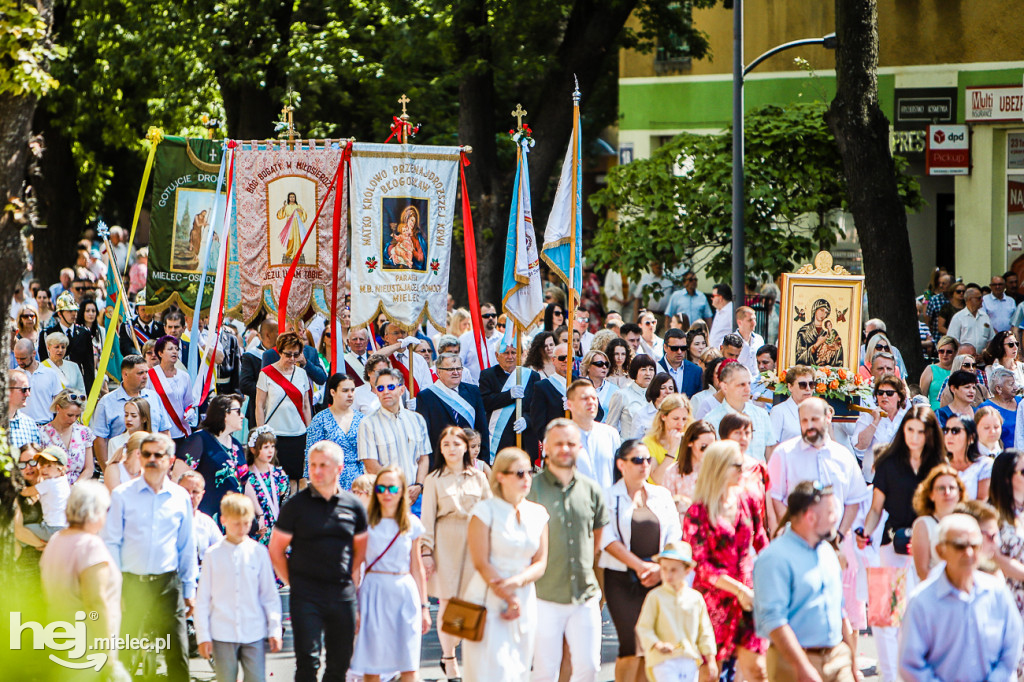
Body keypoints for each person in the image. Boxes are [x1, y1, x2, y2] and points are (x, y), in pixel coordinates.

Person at [855, 406, 947, 682]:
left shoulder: (939, 465)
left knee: (925, 617)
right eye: (910, 430)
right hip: (891, 545)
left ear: (930, 434)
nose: (915, 437)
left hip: (930, 547)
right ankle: (891, 677)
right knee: (885, 618)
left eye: (921, 432)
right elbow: (875, 510)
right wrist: (865, 533)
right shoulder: (888, 463)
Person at [269, 440, 368, 682]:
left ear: (339, 468)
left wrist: (348, 576)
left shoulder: (353, 506)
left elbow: (360, 549)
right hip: (306, 594)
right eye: (313, 465)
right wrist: (292, 580)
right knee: (307, 661)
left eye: (323, 465)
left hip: (341, 593)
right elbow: (276, 550)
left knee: (340, 661)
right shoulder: (295, 505)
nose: (316, 470)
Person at [102, 433, 197, 682]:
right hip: (131, 585)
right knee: (126, 658)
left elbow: (186, 545)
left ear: (171, 459)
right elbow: (111, 542)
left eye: (158, 455)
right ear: (139, 457)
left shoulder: (180, 497)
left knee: (177, 655)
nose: (152, 459)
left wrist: (189, 589)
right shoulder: (123, 495)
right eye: (147, 454)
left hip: (168, 585)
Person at [528, 419, 609, 682]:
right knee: (545, 671)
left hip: (585, 595)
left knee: (589, 667)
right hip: (543, 596)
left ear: (580, 447)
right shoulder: (531, 490)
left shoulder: (591, 489)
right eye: (558, 443)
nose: (565, 448)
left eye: (571, 443)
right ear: (546, 448)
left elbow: (598, 540)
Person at [753, 481, 858, 682]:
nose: (836, 518)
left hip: (837, 658)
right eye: (830, 513)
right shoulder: (774, 558)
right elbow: (773, 621)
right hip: (794, 663)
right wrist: (802, 667)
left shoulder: (828, 552)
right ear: (810, 517)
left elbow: (840, 611)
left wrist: (852, 666)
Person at [899, 513, 1024, 682]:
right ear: (940, 550)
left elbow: (1012, 647)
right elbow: (910, 664)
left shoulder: (997, 592)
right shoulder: (922, 601)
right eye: (960, 546)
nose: (968, 552)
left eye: (974, 545)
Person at [681, 440, 768, 680]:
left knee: (758, 670)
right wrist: (739, 590)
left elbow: (762, 542)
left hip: (749, 597)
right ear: (719, 467)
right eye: (736, 466)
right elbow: (701, 565)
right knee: (711, 673)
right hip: (714, 600)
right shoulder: (697, 512)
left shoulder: (748, 501)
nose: (742, 471)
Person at [462, 447, 549, 681]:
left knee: (519, 668)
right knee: (491, 671)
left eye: (529, 472)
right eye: (519, 473)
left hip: (524, 596)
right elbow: (480, 561)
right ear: (500, 476)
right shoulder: (484, 510)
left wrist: (517, 584)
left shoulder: (538, 513)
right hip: (488, 597)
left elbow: (540, 562)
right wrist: (507, 594)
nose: (527, 478)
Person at [599, 439, 683, 680]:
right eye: (637, 460)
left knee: (652, 645)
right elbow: (606, 538)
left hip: (659, 576)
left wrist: (659, 567)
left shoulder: (661, 494)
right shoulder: (608, 495)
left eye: (647, 460)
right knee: (631, 644)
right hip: (621, 578)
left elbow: (674, 533)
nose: (644, 465)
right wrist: (640, 566)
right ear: (621, 464)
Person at [419, 426, 491, 680]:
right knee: (450, 604)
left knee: (472, 603)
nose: (451, 448)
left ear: (465, 447)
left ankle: (462, 649)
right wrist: (426, 552)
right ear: (440, 448)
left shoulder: (479, 477)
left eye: (456, 443)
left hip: (473, 543)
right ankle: (450, 661)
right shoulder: (433, 479)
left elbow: (489, 514)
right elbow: (427, 520)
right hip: (445, 543)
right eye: (446, 444)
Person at [350, 466, 429, 681]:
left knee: (408, 664)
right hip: (373, 591)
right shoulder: (365, 523)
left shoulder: (411, 523)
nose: (387, 492)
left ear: (402, 490)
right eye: (381, 488)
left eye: (392, 488)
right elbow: (356, 568)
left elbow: (417, 566)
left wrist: (424, 607)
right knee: (372, 665)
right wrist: (353, 607)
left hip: (404, 592)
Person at [39, 481, 125, 679]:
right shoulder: (90, 546)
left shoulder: (56, 540)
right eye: (105, 510)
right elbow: (94, 603)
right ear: (94, 511)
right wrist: (106, 651)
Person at [194, 493, 283, 682]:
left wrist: (274, 629)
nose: (241, 529)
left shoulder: (258, 552)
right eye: (236, 523)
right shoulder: (213, 555)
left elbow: (269, 595)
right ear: (224, 520)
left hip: (253, 632)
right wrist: (203, 636)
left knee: (256, 678)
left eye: (246, 523)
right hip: (222, 632)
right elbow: (203, 599)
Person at [768, 398, 870, 539]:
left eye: (814, 419)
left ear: (828, 417)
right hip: (796, 539)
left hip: (836, 542)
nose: (809, 426)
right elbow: (776, 498)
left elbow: (854, 500)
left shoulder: (844, 456)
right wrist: (795, 531)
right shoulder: (784, 453)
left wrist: (839, 536)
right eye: (804, 420)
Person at [635, 540, 718, 682]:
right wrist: (657, 644)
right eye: (664, 569)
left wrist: (711, 659)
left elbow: (705, 630)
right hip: (663, 660)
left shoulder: (695, 598)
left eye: (673, 570)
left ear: (687, 570)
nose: (668, 574)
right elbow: (643, 627)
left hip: (689, 660)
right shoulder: (655, 597)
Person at [357, 368, 432, 512]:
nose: (386, 391)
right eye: (381, 388)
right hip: (385, 498)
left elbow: (423, 458)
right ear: (376, 392)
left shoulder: (417, 419)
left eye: (391, 387)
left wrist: (419, 486)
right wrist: (397, 489)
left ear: (402, 390)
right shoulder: (367, 424)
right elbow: (371, 465)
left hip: (415, 498)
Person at [172, 394, 247, 523]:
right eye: (238, 411)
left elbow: (245, 482)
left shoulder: (236, 445)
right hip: (206, 519)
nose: (242, 416)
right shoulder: (199, 440)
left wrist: (257, 513)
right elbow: (177, 479)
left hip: (234, 518)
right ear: (224, 414)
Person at [91, 353, 172, 467]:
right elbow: (100, 440)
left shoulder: (154, 397)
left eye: (146, 372)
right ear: (125, 374)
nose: (145, 376)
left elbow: (164, 431)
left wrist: (167, 463)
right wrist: (107, 470)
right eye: (140, 373)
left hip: (153, 464)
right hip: (121, 465)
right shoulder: (107, 402)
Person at [256, 332, 312, 482]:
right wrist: (261, 433)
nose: (292, 359)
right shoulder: (266, 373)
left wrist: (310, 432)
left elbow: (306, 406)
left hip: (298, 434)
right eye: (288, 354)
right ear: (279, 351)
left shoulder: (301, 374)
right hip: (274, 434)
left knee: (296, 477)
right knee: (274, 477)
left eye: (296, 354)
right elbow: (259, 405)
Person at [416, 351, 490, 464]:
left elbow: (482, 429)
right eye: (450, 369)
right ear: (438, 372)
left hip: (470, 459)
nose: (456, 373)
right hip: (441, 461)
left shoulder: (473, 391)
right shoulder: (426, 396)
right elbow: (425, 436)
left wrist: (483, 461)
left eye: (459, 369)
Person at [479, 342, 541, 463]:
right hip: (500, 440)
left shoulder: (532, 376)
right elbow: (485, 403)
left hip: (525, 438)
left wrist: (527, 420)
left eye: (514, 352)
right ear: (497, 355)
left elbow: (537, 408)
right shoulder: (488, 375)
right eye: (506, 353)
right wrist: (509, 395)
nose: (510, 356)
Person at [704, 362, 776, 462]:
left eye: (749, 384)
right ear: (724, 387)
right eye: (741, 385)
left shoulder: (761, 415)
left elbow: (770, 451)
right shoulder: (711, 420)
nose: (748, 389)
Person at [303, 373, 364, 489]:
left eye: (352, 390)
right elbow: (311, 453)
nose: (350, 395)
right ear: (333, 392)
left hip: (359, 481)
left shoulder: (362, 419)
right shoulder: (320, 420)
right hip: (329, 479)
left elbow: (367, 453)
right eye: (345, 391)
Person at [910, 464, 967, 581]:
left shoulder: (967, 522)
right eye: (941, 488)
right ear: (931, 494)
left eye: (952, 488)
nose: (947, 492)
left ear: (959, 493)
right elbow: (922, 571)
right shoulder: (923, 524)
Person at [851, 374, 910, 481]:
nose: (884, 396)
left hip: (900, 478)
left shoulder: (908, 417)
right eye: (880, 393)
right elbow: (859, 446)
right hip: (873, 478)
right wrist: (875, 422)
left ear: (900, 397)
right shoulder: (868, 415)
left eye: (890, 393)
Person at [567, 379, 622, 489]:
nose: (591, 402)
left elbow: (619, 473)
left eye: (593, 398)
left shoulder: (610, 434)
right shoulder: (561, 436)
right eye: (584, 398)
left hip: (607, 502)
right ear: (570, 404)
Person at [38, 291, 95, 393]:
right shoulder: (47, 333)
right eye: (69, 311)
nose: (73, 314)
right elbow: (44, 362)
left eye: (75, 311)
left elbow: (88, 367)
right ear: (60, 313)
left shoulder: (84, 333)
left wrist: (90, 392)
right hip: (55, 384)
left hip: (76, 383)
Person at [242, 426, 289, 546]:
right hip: (257, 530)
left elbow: (283, 501)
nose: (270, 451)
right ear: (253, 449)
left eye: (272, 446)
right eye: (266, 447)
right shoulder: (247, 476)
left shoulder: (279, 474)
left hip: (277, 528)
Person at [38, 389, 94, 485]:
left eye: (77, 416)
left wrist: (75, 487)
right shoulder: (41, 433)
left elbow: (89, 468)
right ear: (58, 408)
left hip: (77, 490)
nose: (73, 419)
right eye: (70, 415)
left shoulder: (84, 432)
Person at [661, 420, 717, 512]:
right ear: (690, 443)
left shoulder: (720, 470)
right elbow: (666, 507)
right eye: (703, 447)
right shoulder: (673, 472)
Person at [149, 335, 195, 444]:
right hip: (159, 432)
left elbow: (189, 402)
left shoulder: (184, 376)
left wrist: (190, 411)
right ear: (160, 353)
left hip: (180, 431)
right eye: (170, 349)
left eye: (176, 349)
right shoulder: (150, 375)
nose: (174, 352)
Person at [178, 469, 224, 563]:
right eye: (185, 490)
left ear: (202, 495)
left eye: (195, 492)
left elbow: (222, 552)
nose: (190, 495)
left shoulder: (207, 522)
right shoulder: (166, 519)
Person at [606, 354, 657, 437]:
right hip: (628, 446)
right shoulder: (621, 395)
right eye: (643, 369)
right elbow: (611, 427)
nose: (648, 373)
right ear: (635, 372)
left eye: (651, 369)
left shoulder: (657, 397)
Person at [644, 393, 691, 484]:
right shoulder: (649, 442)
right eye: (675, 418)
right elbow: (658, 479)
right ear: (663, 416)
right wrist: (672, 450)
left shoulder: (689, 441)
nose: (680, 424)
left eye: (684, 419)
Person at [943, 415, 992, 500]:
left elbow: (981, 503)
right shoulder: (940, 464)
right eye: (946, 431)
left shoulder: (984, 465)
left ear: (971, 438)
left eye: (955, 431)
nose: (949, 436)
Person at [240, 319, 278, 425]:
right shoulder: (251, 356)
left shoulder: (284, 355)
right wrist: (269, 391)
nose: (281, 335)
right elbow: (245, 384)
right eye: (277, 332)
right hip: (257, 410)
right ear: (267, 335)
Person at [769, 365, 816, 445]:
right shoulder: (779, 411)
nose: (808, 388)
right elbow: (772, 444)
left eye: (811, 384)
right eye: (802, 385)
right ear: (790, 387)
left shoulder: (817, 410)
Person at [628, 372, 677, 440]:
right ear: (655, 389)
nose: (668, 391)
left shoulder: (678, 413)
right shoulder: (641, 414)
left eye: (671, 388)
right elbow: (634, 443)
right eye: (663, 388)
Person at [980, 367, 1020, 449]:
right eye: (1011, 384)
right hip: (1003, 456)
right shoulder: (986, 408)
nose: (1016, 387)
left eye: (1014, 384)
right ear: (998, 388)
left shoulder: (1020, 402)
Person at [657, 328, 702, 397]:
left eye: (683, 348)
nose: (679, 352)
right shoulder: (655, 370)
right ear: (665, 347)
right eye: (674, 348)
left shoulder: (696, 371)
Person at [948, 286, 995, 351]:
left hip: (983, 358)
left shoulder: (985, 316)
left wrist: (985, 353)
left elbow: (991, 339)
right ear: (969, 299)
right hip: (964, 358)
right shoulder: (958, 317)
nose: (982, 300)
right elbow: (953, 340)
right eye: (979, 298)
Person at [920, 335, 958, 410]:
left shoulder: (958, 371)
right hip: (934, 413)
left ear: (955, 353)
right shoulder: (930, 369)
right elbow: (922, 397)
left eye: (949, 352)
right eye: (941, 351)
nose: (945, 355)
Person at [104, 428, 148, 493]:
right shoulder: (114, 469)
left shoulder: (147, 470)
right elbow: (115, 498)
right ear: (138, 453)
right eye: (149, 453)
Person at [7, 368, 41, 451]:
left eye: (29, 389)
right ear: (7, 391)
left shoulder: (30, 424)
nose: (28, 394)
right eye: (24, 389)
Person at [708, 283, 734, 349]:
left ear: (720, 297)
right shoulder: (719, 310)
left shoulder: (731, 311)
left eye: (713, 296)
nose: (711, 298)